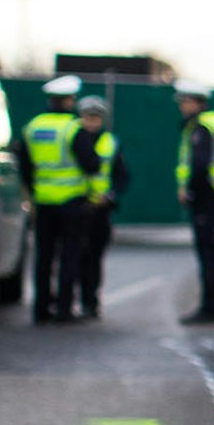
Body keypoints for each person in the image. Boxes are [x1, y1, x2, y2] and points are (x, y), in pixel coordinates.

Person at [15, 73, 86, 323]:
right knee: (69, 255)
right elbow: (91, 163)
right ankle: (65, 309)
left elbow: (24, 166)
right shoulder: (74, 128)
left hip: (42, 202)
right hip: (71, 202)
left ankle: (41, 309)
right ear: (68, 101)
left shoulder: (33, 126)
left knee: (43, 257)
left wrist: (33, 191)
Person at [174, 81, 214, 325]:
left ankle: (212, 308)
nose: (181, 107)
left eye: (184, 102)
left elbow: (199, 165)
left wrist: (188, 191)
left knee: (209, 254)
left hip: (206, 197)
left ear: (195, 102)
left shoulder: (202, 128)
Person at [72, 95, 129, 321]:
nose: (92, 122)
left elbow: (122, 175)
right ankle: (71, 300)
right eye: (88, 117)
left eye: (96, 117)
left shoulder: (111, 142)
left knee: (94, 257)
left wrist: (112, 195)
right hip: (76, 206)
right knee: (74, 256)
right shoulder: (72, 137)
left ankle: (90, 301)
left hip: (100, 210)